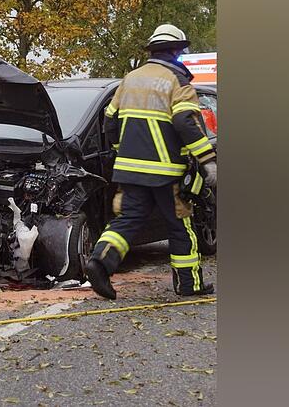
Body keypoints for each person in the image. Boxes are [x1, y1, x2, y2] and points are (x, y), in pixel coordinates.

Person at [85, 24, 218, 299]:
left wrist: (124, 151)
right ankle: (189, 284)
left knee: (127, 219)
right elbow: (186, 122)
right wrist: (207, 160)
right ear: (176, 51)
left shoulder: (130, 79)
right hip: (166, 172)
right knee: (180, 225)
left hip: (129, 170)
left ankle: (99, 262)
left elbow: (110, 122)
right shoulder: (177, 81)